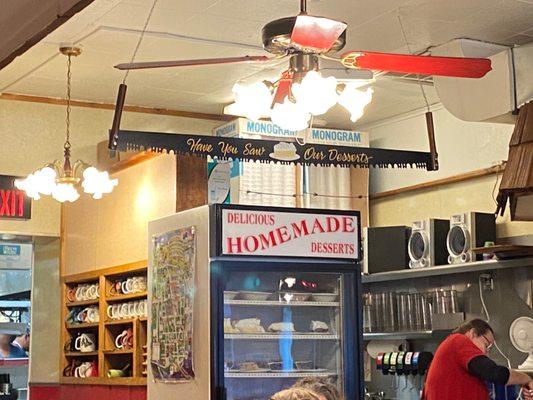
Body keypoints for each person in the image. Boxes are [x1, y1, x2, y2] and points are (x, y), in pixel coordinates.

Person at [423, 319, 533, 400]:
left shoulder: (454, 352)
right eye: (486, 345)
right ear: (472, 333)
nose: (486, 353)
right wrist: (526, 379)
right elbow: (495, 373)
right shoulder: (458, 341)